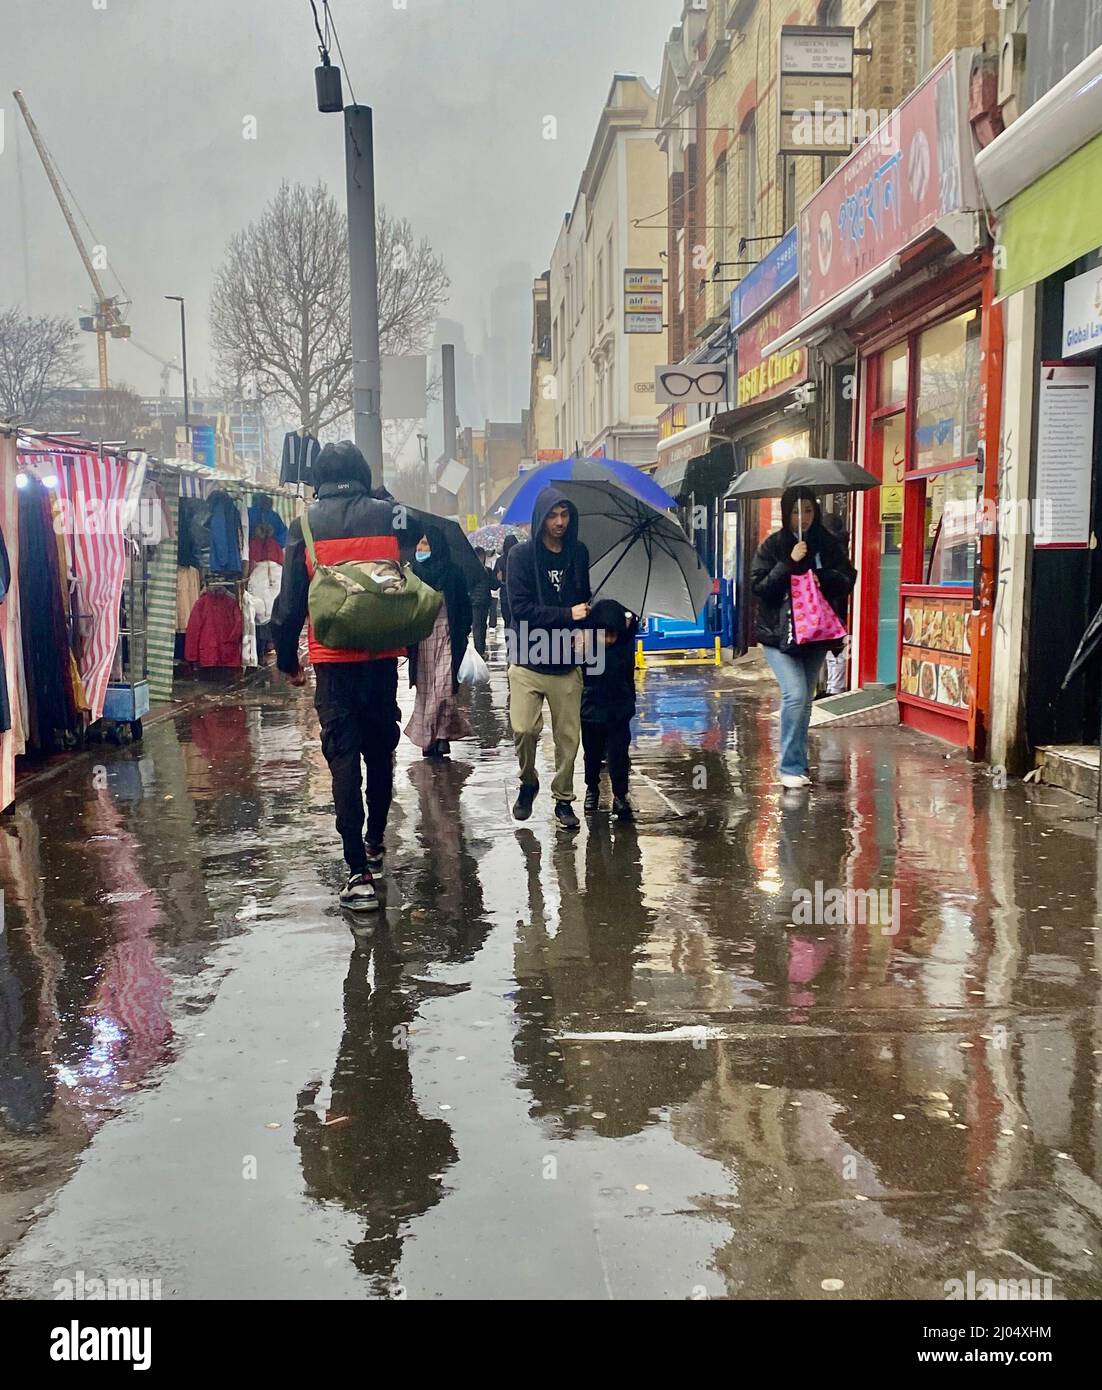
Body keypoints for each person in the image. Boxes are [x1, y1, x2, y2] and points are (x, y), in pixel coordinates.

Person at [271, 441, 415, 914]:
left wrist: (288, 660)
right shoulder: (389, 515)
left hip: (333, 661)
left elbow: (291, 599)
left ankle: (358, 872)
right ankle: (375, 837)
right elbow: (405, 576)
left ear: (318, 479)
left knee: (342, 759)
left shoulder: (306, 525)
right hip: (380, 657)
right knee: (380, 750)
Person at [749, 485, 856, 789]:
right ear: (786, 513)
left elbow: (847, 578)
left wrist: (822, 577)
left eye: (808, 510)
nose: (803, 517)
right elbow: (759, 588)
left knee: (805, 700)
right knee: (795, 695)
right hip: (778, 636)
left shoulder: (827, 544)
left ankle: (799, 763)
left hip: (816, 633)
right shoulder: (772, 546)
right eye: (796, 511)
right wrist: (789, 563)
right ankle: (790, 766)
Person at [506, 488, 591, 829]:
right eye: (553, 515)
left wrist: (586, 626)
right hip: (528, 659)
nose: (559, 522)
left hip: (566, 661)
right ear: (541, 518)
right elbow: (521, 611)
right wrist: (568, 615)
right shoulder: (521, 557)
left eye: (564, 515)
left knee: (569, 738)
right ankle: (528, 782)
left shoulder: (578, 554)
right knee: (524, 728)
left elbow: (584, 601)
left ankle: (563, 800)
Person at [405, 527, 473, 759]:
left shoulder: (453, 573)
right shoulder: (412, 575)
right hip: (422, 639)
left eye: (425, 544)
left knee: (443, 688)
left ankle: (437, 734)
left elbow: (464, 607)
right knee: (425, 691)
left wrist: (462, 634)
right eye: (419, 544)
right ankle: (434, 738)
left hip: (447, 636)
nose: (420, 549)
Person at [581, 599, 638, 822]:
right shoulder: (586, 650)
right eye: (603, 634)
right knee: (592, 755)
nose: (608, 640)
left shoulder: (624, 648)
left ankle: (620, 795)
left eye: (612, 635)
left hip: (618, 712)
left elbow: (629, 678)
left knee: (619, 756)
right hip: (591, 713)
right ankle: (592, 788)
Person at [820, 509, 851, 696]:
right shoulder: (838, 548)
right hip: (834, 606)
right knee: (833, 652)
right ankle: (833, 687)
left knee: (834, 651)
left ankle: (834, 689)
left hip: (834, 607)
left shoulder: (833, 551)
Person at [468, 546, 499, 659]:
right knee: (478, 626)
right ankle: (479, 651)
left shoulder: (485, 571)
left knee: (481, 626)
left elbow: (494, 586)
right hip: (478, 602)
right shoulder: (476, 570)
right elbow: (494, 585)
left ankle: (481, 649)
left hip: (481, 602)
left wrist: (498, 580)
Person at [495, 534, 519, 634]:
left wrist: (499, 579)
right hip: (519, 593)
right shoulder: (520, 558)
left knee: (507, 621)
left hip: (505, 594)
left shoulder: (500, 561)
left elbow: (494, 584)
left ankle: (510, 645)